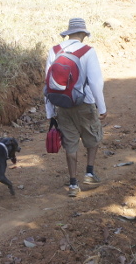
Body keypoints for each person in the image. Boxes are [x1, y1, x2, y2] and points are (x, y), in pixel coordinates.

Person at [45, 17, 107, 197]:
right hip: (84, 103)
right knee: (93, 136)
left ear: (69, 33)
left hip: (62, 105)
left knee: (70, 144)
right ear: (83, 34)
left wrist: (50, 112)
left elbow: (48, 83)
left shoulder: (55, 50)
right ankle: (89, 172)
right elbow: (96, 82)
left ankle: (73, 184)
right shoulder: (88, 51)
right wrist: (102, 108)